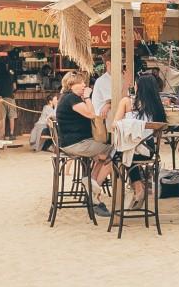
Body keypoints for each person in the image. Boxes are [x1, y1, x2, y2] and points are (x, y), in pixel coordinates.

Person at [54, 70, 111, 211]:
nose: (84, 85)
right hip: (76, 144)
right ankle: (93, 190)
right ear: (71, 85)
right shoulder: (71, 98)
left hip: (75, 142)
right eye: (81, 83)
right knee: (116, 151)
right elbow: (91, 114)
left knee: (104, 155)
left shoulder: (67, 97)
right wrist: (87, 97)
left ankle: (91, 184)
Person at [120, 71, 168, 209]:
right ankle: (140, 184)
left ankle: (138, 187)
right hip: (150, 149)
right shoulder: (157, 107)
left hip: (136, 149)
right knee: (126, 153)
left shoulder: (132, 105)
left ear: (139, 87)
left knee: (121, 154)